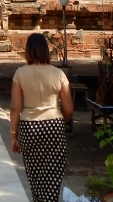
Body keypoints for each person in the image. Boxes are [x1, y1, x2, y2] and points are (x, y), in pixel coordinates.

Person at [10, 33, 74, 202]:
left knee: (35, 177)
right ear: (46, 50)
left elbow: (15, 108)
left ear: (28, 51)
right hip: (54, 126)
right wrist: (61, 121)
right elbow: (69, 108)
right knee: (52, 177)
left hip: (29, 127)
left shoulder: (20, 73)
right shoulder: (59, 74)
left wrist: (13, 135)